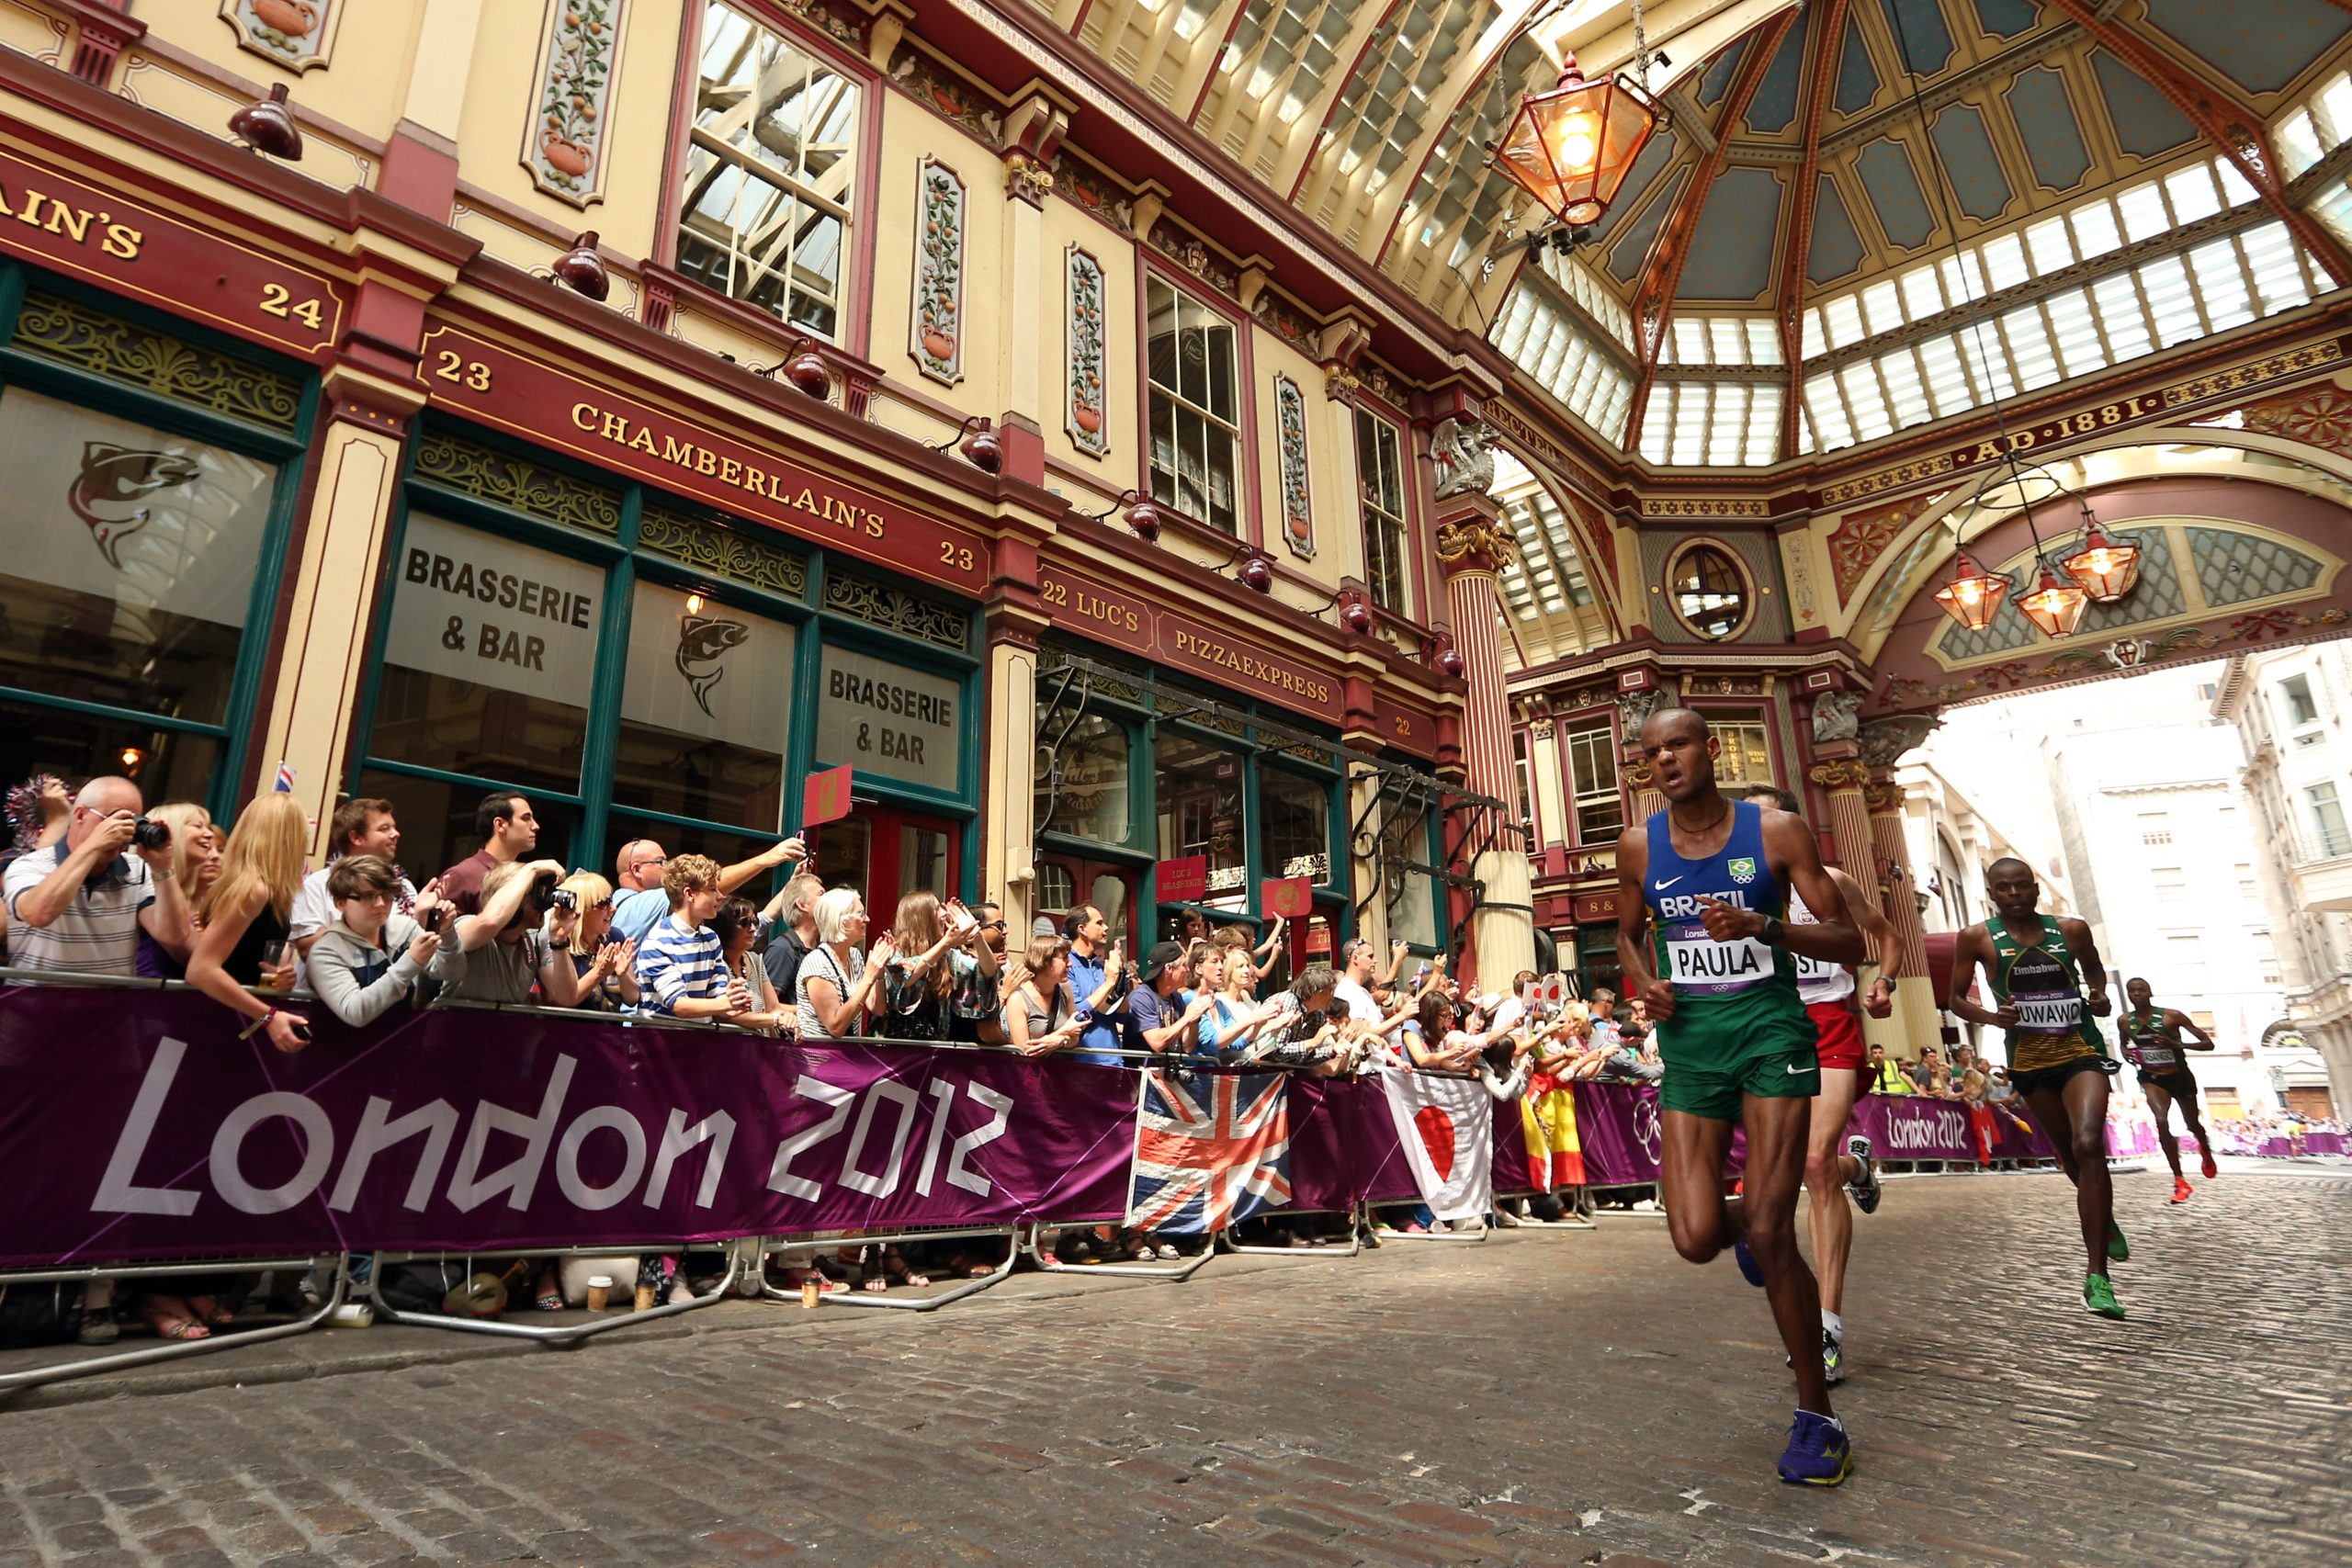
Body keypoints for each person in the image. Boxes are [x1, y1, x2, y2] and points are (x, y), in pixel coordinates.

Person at [1614, 708, 1863, 1486]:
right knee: (1694, 1235)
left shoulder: (1778, 831)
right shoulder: (1636, 845)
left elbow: (1850, 937)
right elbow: (1627, 935)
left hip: (1770, 1034)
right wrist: (1647, 985)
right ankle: (1752, 1227)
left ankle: (1819, 1418)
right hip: (1692, 1045)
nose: (1665, 760)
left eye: (1678, 744)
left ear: (1711, 748)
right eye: (1651, 752)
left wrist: (1765, 925)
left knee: (1771, 1223)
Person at [1743, 784, 1897, 1387]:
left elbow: (1887, 936)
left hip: (1828, 1022)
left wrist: (1882, 982)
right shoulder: (1735, 891)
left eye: (1765, 818)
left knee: (1811, 1162)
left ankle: (1826, 1324)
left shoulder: (1829, 879)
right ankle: (1857, 1169)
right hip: (1765, 1029)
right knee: (1785, 1173)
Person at [1948, 856, 2125, 1320]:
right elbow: (1953, 999)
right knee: (2068, 1154)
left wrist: (2100, 994)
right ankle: (2102, 1218)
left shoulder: (2070, 929)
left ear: (2035, 888)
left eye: (2022, 886)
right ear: (1991, 893)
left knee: (2089, 1145)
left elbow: (2095, 972)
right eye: (2004, 889)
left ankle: (2097, 1276)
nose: (2014, 895)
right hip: (2028, 1061)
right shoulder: (1977, 938)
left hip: (2080, 1052)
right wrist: (1991, 1017)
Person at [5, 775, 191, 976]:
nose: (123, 828)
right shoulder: (30, 865)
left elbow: (174, 936)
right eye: (114, 817)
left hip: (110, 1003)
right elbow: (38, 914)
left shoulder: (138, 870)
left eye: (132, 820)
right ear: (80, 815)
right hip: (36, 1003)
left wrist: (163, 869)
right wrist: (94, 846)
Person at [185, 793, 309, 1053]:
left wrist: (279, 977)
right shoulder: (254, 889)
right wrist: (268, 1016)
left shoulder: (264, 889)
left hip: (233, 1017)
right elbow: (202, 969)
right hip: (221, 1023)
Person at [305, 855, 451, 1026]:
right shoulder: (325, 952)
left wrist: (448, 933)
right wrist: (411, 962)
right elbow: (355, 1012)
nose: (381, 903)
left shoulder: (405, 928)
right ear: (341, 903)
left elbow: (450, 973)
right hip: (344, 1048)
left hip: (401, 1045)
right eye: (367, 896)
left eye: (387, 895)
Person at [440, 857, 598, 1006]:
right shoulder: (467, 926)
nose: (545, 902)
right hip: (457, 1030)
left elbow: (567, 997)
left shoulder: (536, 940)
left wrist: (559, 941)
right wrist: (532, 869)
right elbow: (491, 922)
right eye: (537, 894)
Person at [607, 832, 807, 946]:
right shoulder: (636, 905)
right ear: (636, 869)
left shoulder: (705, 937)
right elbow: (704, 884)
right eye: (661, 861)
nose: (667, 866)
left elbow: (761, 922)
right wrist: (766, 859)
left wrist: (791, 885)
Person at [2119, 976, 2219, 1201]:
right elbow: (2123, 1043)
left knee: (2192, 1123)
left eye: (2141, 990)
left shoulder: (2171, 1016)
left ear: (2149, 992)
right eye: (2132, 991)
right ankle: (2179, 1181)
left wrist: (2177, 1045)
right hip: (2152, 1077)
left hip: (2179, 1075)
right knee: (2161, 1121)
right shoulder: (2125, 1021)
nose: (2137, 994)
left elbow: (2208, 1043)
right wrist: (2126, 1052)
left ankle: (2205, 1148)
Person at [289, 797, 413, 959]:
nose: (396, 834)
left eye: (394, 828)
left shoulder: (404, 886)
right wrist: (363, 929)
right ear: (356, 838)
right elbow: (307, 950)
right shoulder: (317, 885)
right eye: (384, 829)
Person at [636, 855, 755, 1021]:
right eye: (713, 889)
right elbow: (679, 1005)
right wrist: (726, 1003)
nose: (721, 896)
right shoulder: (658, 942)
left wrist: (734, 998)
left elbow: (718, 998)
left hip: (699, 1038)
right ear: (689, 894)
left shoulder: (710, 938)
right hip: (660, 1040)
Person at [877, 891, 994, 1042]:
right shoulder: (892, 950)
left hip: (933, 1050)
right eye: (937, 908)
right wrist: (946, 943)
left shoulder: (947, 955)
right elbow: (905, 977)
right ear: (922, 918)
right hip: (894, 1051)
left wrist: (976, 936)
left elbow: (988, 971)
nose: (945, 913)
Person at [133, 802, 220, 979]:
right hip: (152, 1000)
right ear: (170, 831)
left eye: (208, 827)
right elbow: (198, 958)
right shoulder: (146, 884)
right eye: (198, 826)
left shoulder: (199, 897)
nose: (209, 834)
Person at [797, 887, 895, 1039]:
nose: (867, 919)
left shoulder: (854, 955)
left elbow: (878, 1008)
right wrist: (869, 976)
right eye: (860, 914)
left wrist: (879, 973)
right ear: (841, 921)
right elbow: (836, 1027)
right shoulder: (817, 963)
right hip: (820, 1056)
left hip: (846, 1054)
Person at [435, 791, 541, 918]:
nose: (536, 826)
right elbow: (440, 932)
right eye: (525, 818)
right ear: (500, 825)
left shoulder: (523, 877)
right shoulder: (461, 876)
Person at [552, 871, 639, 1012]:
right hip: (570, 1031)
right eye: (604, 904)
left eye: (611, 900)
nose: (613, 908)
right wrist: (599, 972)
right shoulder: (560, 945)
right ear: (582, 909)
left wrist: (623, 975)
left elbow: (632, 998)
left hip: (611, 1032)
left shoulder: (614, 937)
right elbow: (563, 1001)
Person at [710, 896, 789, 1033]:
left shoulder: (755, 960)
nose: (753, 928)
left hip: (760, 1049)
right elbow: (731, 1015)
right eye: (745, 922)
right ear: (725, 927)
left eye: (755, 921)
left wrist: (788, 1019)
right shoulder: (715, 963)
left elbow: (774, 1008)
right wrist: (775, 1019)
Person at [1062, 904, 1129, 1066]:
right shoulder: (1066, 965)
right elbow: (1077, 1013)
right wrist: (1110, 982)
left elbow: (1122, 1016)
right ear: (1082, 929)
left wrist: (1121, 975)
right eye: (1099, 923)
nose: (1106, 928)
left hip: (1113, 1060)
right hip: (1082, 1063)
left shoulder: (1101, 967)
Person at [1128, 940, 1214, 1055]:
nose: (1188, 970)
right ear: (1169, 968)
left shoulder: (1176, 997)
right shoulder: (1141, 997)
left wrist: (1196, 1018)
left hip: (1171, 1071)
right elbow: (1157, 1042)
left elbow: (1187, 1047)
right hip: (1145, 1071)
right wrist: (1188, 1017)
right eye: (1184, 965)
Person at [1005, 934, 1084, 1056]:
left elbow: (1075, 1038)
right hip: (1032, 1073)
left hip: (1062, 1071)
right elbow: (1025, 1051)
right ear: (1045, 961)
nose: (1070, 964)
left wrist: (1061, 1040)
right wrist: (1064, 1032)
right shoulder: (1017, 999)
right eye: (1064, 958)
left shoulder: (1065, 988)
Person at [759, 872, 824, 1006]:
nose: (828, 900)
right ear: (802, 905)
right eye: (821, 894)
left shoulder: (821, 950)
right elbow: (767, 1006)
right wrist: (816, 1014)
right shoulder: (783, 949)